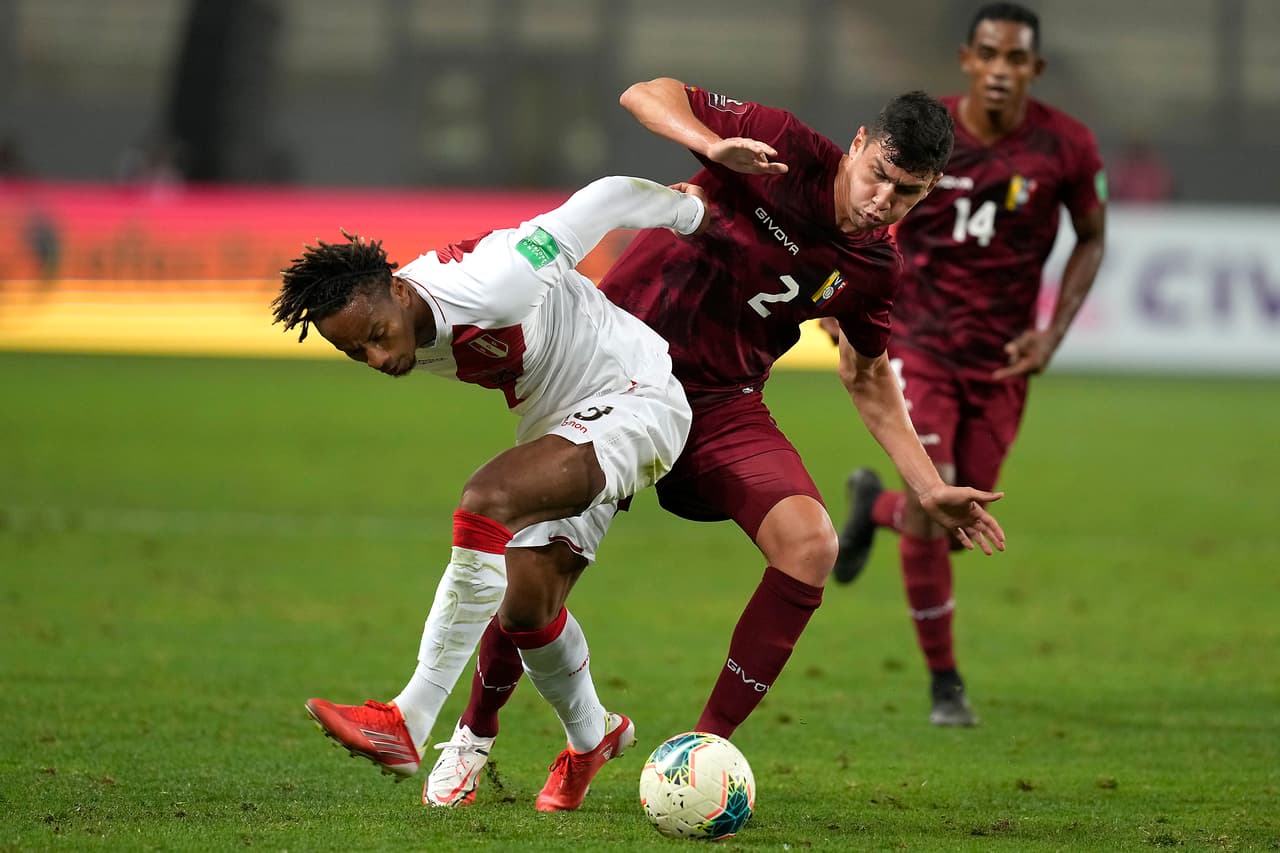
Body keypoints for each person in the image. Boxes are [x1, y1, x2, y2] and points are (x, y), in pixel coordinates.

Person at [422, 80, 1008, 807]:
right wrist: (707, 145)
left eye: (908, 193)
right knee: (531, 590)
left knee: (811, 543)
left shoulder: (874, 268)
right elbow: (646, 93)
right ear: (859, 144)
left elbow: (866, 373)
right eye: (879, 175)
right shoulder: (783, 148)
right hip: (612, 374)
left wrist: (926, 486)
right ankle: (473, 739)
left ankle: (697, 758)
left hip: (719, 403)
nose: (883, 200)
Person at [273, 175, 708, 810]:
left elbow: (604, 199)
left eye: (374, 334)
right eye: (353, 352)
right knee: (526, 605)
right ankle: (594, 735)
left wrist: (689, 212)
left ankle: (408, 719)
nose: (374, 357)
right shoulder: (400, 320)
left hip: (636, 395)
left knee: (486, 498)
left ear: (397, 290)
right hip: (560, 424)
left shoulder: (497, 278)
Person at [824, 2, 1107, 727]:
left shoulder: (1067, 148)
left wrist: (1053, 333)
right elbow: (863, 212)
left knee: (953, 513)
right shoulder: (929, 142)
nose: (1002, 70)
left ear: (1034, 70)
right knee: (940, 491)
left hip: (1002, 361)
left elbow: (1092, 237)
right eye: (990, 55)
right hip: (915, 343)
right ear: (968, 60)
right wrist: (839, 301)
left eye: (1017, 59)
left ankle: (873, 507)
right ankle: (945, 683)